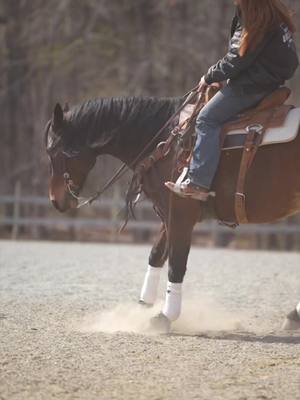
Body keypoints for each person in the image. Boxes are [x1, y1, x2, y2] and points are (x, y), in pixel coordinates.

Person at [165, 0, 299, 201]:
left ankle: (198, 182)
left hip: (250, 86)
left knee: (206, 119)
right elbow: (291, 62)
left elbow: (236, 58)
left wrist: (209, 76)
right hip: (269, 84)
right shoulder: (272, 12)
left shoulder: (252, 15)